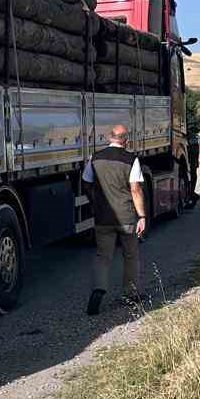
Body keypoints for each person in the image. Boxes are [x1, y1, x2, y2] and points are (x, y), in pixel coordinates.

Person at [83, 123, 147, 315]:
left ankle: (99, 288)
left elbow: (86, 183)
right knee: (130, 255)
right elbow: (135, 189)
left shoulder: (94, 158)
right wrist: (142, 216)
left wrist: (95, 202)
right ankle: (131, 294)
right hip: (126, 217)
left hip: (103, 217)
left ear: (110, 138)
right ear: (126, 140)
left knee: (103, 256)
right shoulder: (131, 159)